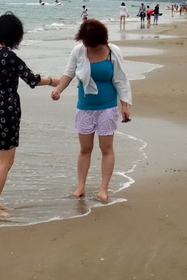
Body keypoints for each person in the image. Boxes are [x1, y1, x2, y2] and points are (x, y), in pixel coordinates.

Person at [0, 12, 56, 217]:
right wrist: (52, 80)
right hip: (8, 108)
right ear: (14, 35)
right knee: (6, 161)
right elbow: (32, 80)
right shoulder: (9, 56)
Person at [51, 19, 133, 203]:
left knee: (106, 148)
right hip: (85, 107)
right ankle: (80, 187)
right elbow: (68, 73)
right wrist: (58, 90)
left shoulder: (113, 52)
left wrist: (125, 106)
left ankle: (103, 189)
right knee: (85, 148)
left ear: (102, 41)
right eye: (87, 44)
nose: (90, 48)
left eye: (93, 45)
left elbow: (121, 79)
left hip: (107, 107)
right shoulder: (79, 50)